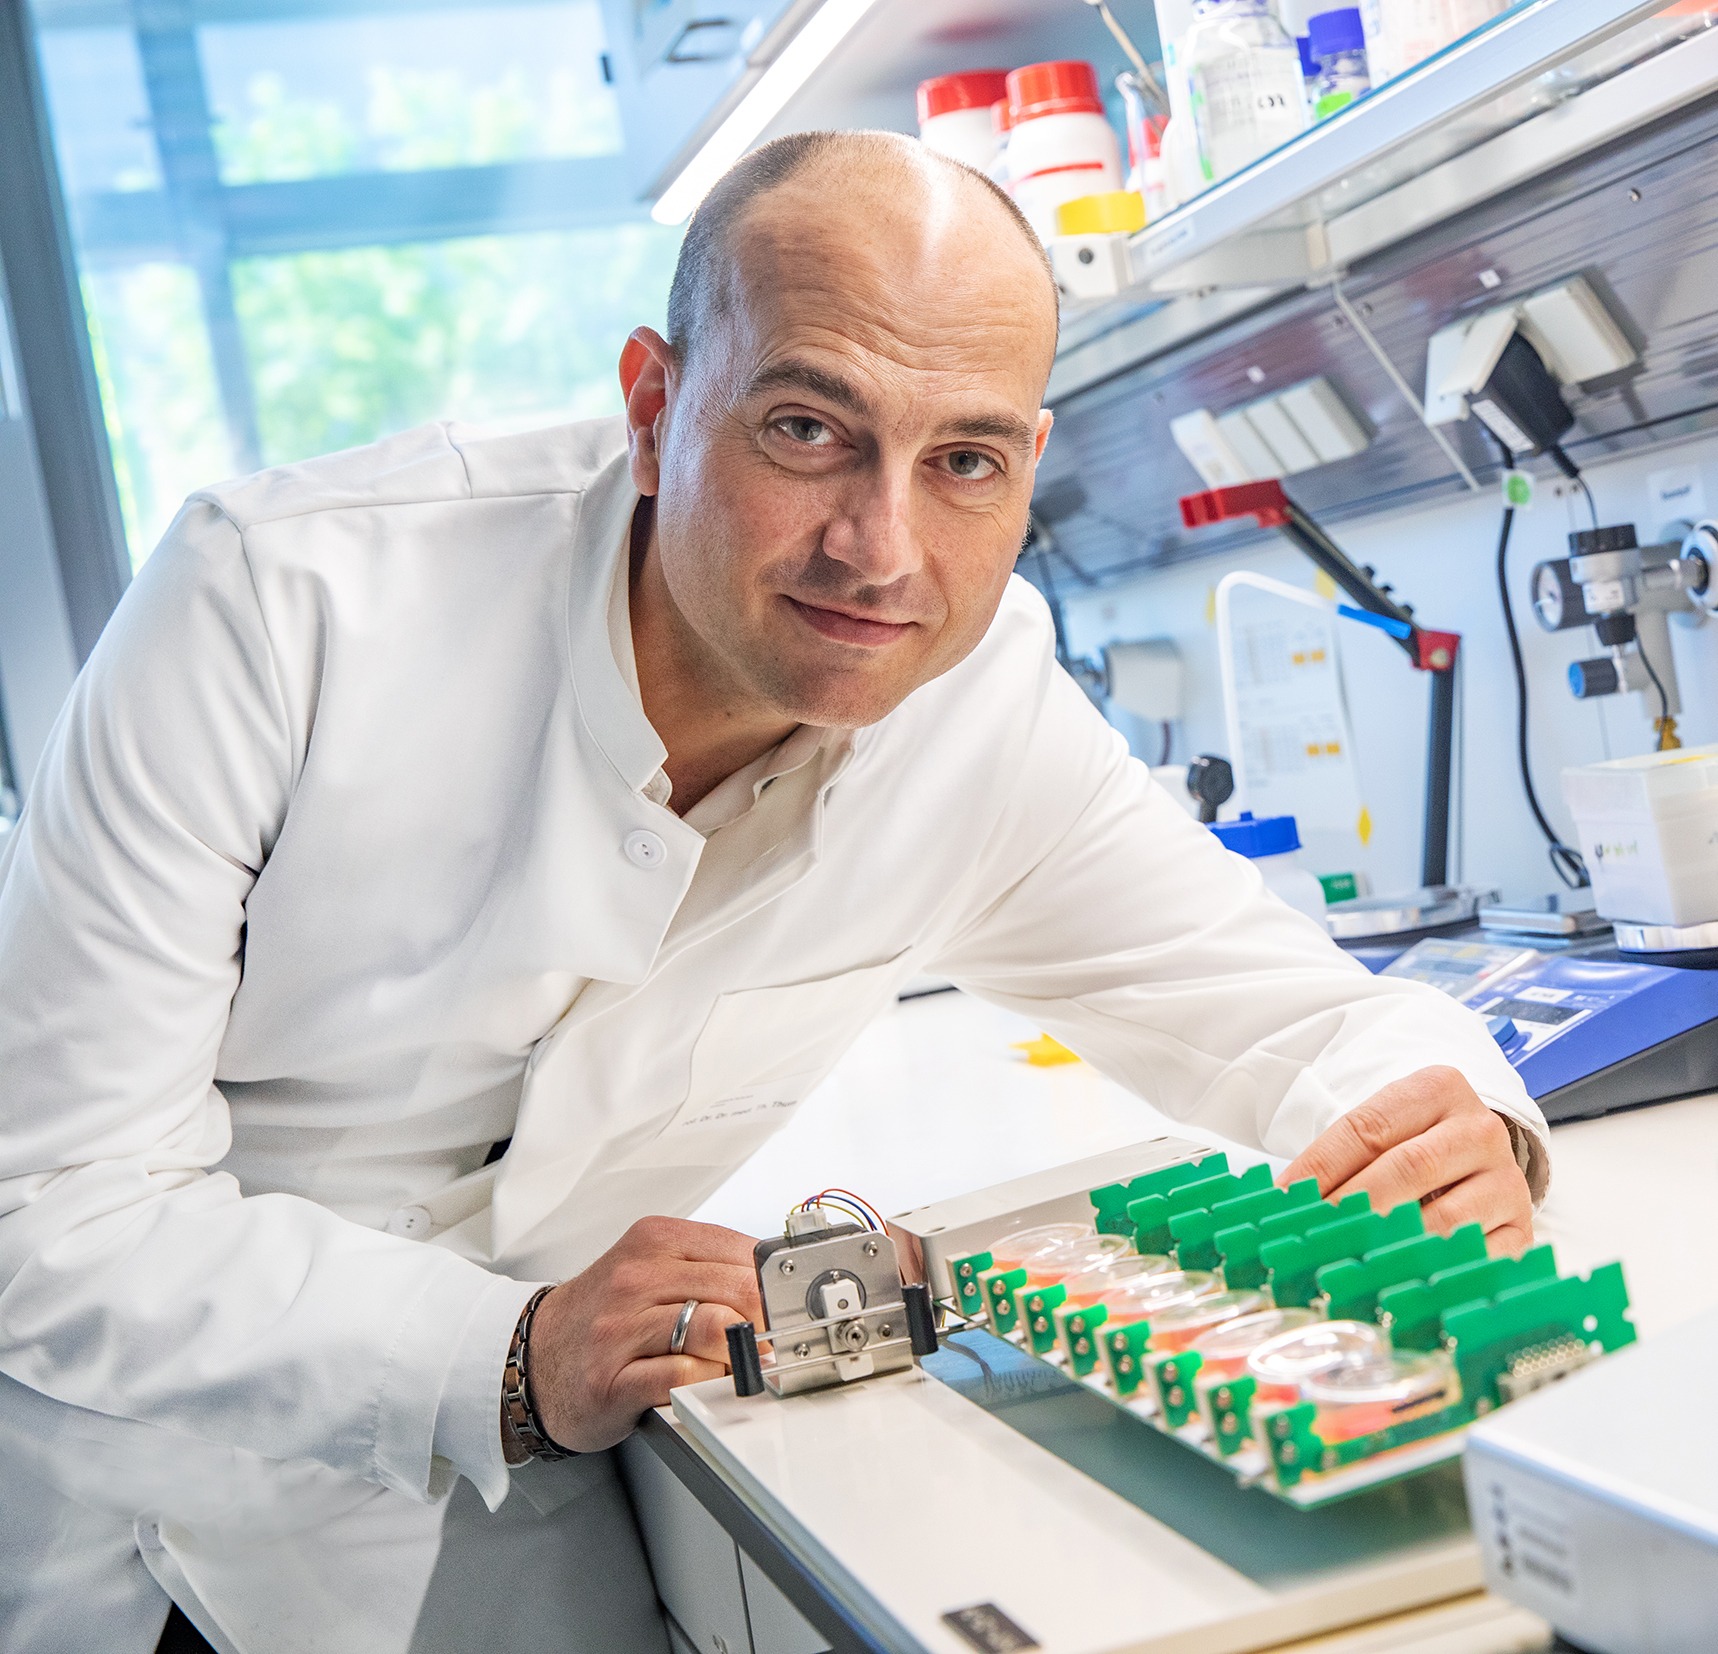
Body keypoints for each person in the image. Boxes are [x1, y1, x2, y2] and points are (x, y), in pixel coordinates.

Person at [0, 131, 1545, 1654]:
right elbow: (51, 1205)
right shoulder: (280, 601)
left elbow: (1284, 1018)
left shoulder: (976, 706)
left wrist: (1453, 1122)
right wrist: (507, 1350)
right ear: (655, 403)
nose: (884, 550)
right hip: (145, 1499)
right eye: (809, 429)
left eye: (965, 462)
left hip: (517, 1504)